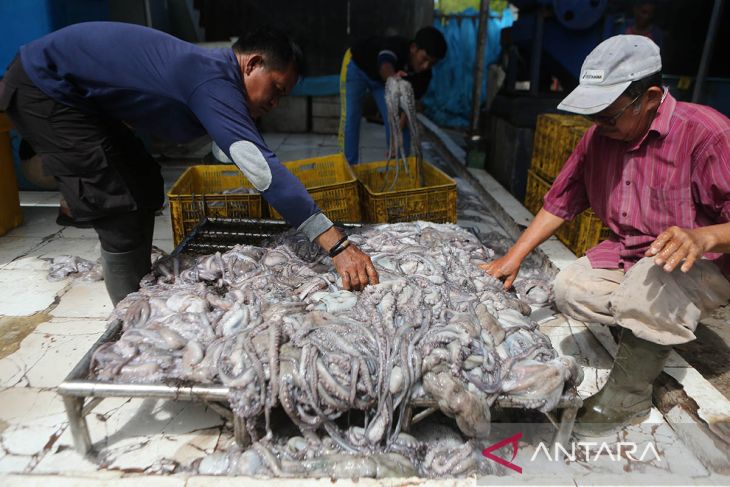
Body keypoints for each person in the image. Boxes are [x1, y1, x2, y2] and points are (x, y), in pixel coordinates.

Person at [0, 22, 379, 306]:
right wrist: (337, 245)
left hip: (77, 98)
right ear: (253, 64)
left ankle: (124, 266)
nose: (275, 102)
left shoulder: (214, 73)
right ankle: (131, 321)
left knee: (144, 181)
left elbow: (230, 144)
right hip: (45, 86)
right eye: (276, 88)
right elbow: (261, 169)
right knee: (118, 205)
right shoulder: (212, 80)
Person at [482, 35, 730, 436]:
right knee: (568, 289)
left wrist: (703, 238)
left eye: (608, 116)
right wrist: (513, 257)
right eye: (593, 115)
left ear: (650, 97)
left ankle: (629, 396)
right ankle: (650, 330)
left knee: (651, 285)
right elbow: (560, 201)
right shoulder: (599, 139)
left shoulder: (707, 135)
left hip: (697, 263)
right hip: (631, 254)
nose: (598, 125)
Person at [338, 26, 447, 165]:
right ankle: (349, 168)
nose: (425, 66)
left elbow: (405, 112)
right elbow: (385, 65)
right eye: (424, 58)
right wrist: (395, 83)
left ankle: (401, 169)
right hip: (357, 66)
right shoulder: (397, 46)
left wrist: (397, 137)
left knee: (400, 126)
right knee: (350, 118)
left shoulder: (424, 76)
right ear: (413, 48)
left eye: (432, 63)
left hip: (382, 82)